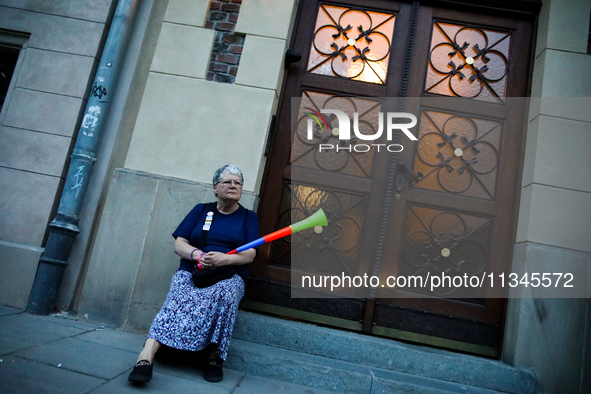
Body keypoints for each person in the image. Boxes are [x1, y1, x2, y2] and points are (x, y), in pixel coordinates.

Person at [128, 164, 259, 383]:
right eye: (227, 182)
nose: (233, 186)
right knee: (178, 289)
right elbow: (180, 244)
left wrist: (224, 259)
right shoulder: (201, 210)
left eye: (238, 183)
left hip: (228, 274)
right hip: (193, 270)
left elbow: (250, 254)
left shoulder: (248, 217)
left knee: (227, 293)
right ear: (215, 187)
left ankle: (214, 358)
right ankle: (145, 357)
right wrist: (199, 255)